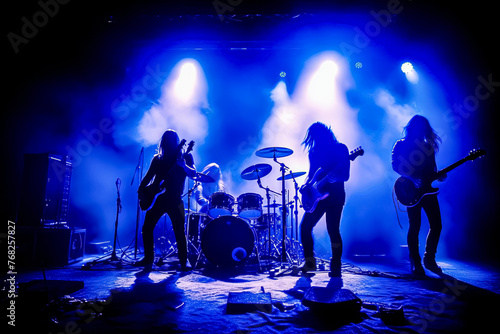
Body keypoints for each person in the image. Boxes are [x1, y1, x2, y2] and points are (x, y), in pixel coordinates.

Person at [392, 115, 446, 275]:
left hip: (428, 191)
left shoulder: (428, 147)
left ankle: (429, 259)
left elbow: (431, 170)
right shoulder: (401, 144)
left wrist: (439, 175)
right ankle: (416, 262)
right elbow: (395, 165)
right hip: (410, 190)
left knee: (437, 225)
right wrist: (411, 178)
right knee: (414, 226)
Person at [136, 129, 196, 270]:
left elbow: (193, 174)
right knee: (147, 227)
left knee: (179, 231)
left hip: (175, 199)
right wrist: (142, 190)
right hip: (159, 198)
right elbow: (148, 177)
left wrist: (183, 165)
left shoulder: (185, 157)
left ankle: (183, 261)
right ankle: (148, 258)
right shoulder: (158, 159)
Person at [299, 122, 350, 277]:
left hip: (336, 196)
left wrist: (336, 178)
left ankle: (336, 266)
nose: (315, 140)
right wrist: (305, 188)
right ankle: (309, 263)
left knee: (333, 230)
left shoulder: (341, 149)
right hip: (318, 197)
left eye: (316, 137)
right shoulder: (313, 153)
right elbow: (311, 175)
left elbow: (345, 175)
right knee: (305, 227)